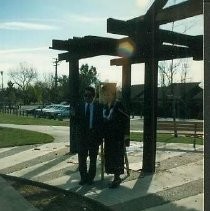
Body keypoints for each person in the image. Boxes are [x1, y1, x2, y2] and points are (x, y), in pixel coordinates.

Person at [73, 86, 103, 185]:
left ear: (93, 96)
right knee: (82, 159)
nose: (87, 97)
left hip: (93, 137)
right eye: (85, 95)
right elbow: (75, 122)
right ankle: (83, 178)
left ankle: (90, 178)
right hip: (82, 137)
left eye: (89, 95)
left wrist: (99, 138)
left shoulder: (98, 107)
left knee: (93, 159)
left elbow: (100, 124)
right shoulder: (79, 106)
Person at [101, 83, 129, 188]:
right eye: (105, 94)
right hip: (108, 136)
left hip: (117, 136)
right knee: (109, 156)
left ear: (113, 95)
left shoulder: (118, 105)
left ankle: (117, 178)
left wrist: (125, 134)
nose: (107, 96)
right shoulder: (105, 106)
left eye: (109, 94)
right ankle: (113, 175)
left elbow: (125, 118)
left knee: (116, 156)